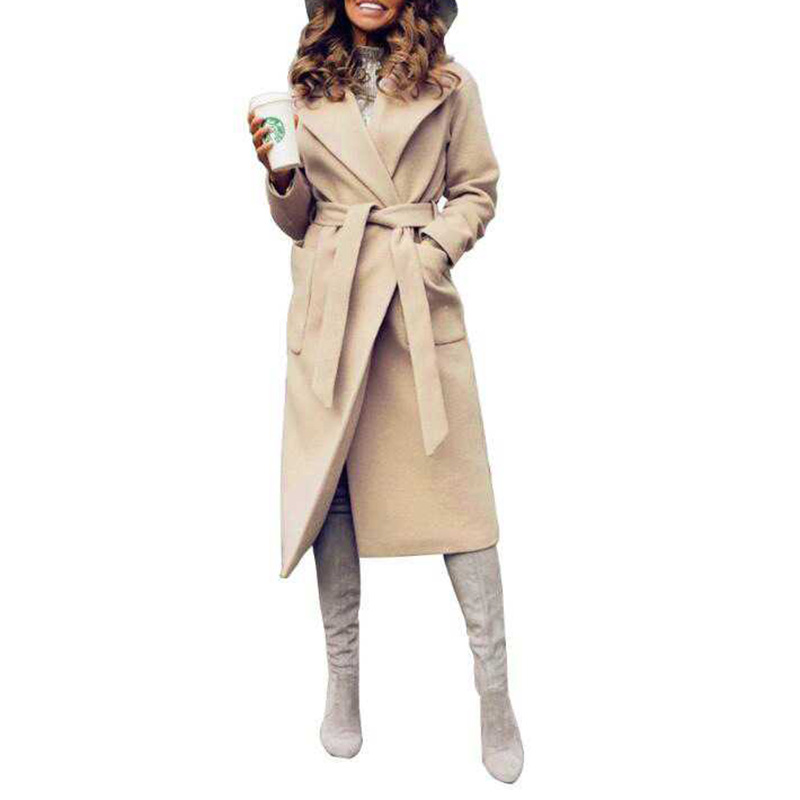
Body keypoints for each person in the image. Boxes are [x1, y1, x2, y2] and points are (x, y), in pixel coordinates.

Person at [248, 0, 523, 783]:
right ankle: (343, 684)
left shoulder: (450, 85)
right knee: (332, 489)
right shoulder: (307, 86)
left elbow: (477, 189)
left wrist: (432, 251)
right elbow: (301, 220)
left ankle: (495, 694)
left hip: (411, 303)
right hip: (332, 308)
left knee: (461, 500)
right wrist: (280, 178)